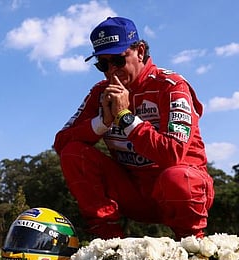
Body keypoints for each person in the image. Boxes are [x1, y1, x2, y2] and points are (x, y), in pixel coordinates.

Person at [53, 16, 214, 241]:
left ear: (139, 51)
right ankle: (108, 245)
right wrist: (102, 122)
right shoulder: (100, 93)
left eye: (118, 61)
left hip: (179, 192)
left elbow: (172, 153)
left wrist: (125, 118)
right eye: (102, 64)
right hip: (133, 193)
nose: (111, 71)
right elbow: (61, 144)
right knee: (73, 154)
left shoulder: (171, 86)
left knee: (178, 177)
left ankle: (192, 245)